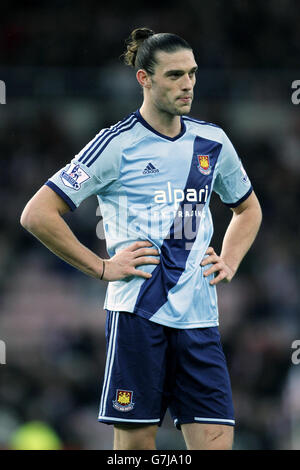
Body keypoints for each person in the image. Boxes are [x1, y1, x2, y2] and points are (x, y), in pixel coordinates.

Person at [20, 27, 262, 450]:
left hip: (200, 322)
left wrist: (231, 257)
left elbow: (247, 208)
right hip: (138, 316)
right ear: (144, 79)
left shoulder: (212, 141)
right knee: (134, 453)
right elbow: (37, 213)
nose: (187, 84)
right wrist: (101, 268)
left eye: (192, 73)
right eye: (174, 75)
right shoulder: (116, 144)